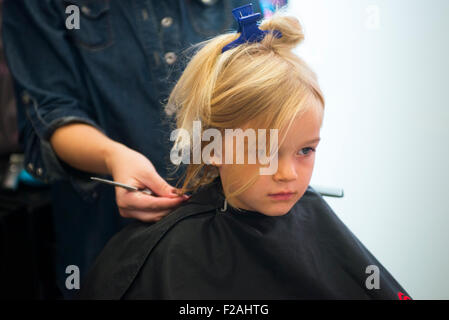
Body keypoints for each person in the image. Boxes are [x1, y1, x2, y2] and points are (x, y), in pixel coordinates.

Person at [78, 8, 411, 299]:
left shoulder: (315, 220)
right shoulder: (168, 254)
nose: (288, 174)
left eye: (306, 150)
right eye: (261, 151)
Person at [2, 0, 285, 298]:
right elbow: (52, 111)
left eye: (307, 150)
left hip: (233, 242)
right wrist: (113, 157)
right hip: (107, 235)